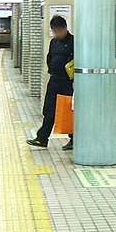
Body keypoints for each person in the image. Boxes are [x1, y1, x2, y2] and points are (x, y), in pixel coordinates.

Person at [27, 16, 74, 151]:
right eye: (55, 31)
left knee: (68, 110)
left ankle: (74, 139)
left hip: (68, 82)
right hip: (54, 80)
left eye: (60, 30)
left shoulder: (73, 42)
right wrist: (51, 69)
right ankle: (42, 138)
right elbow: (49, 58)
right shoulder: (53, 42)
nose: (58, 33)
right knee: (49, 109)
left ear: (65, 28)